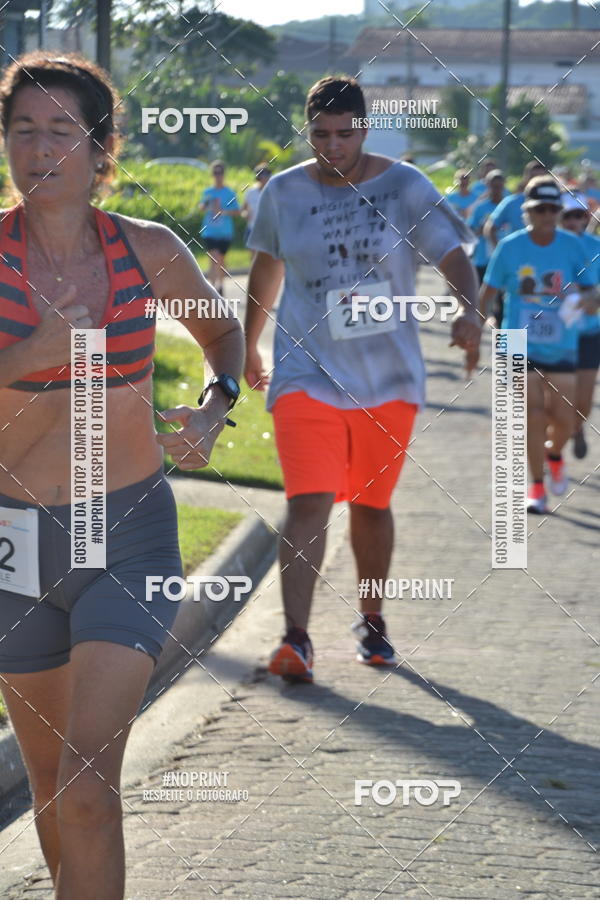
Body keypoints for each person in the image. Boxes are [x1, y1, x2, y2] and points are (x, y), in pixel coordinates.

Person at [0, 53, 243, 898]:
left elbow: (222, 337)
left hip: (128, 529)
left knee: (87, 791)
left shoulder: (148, 251)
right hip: (13, 544)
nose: (39, 149)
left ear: (102, 150)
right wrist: (28, 355)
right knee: (49, 792)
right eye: (22, 129)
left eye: (62, 131)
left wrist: (217, 406)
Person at [244, 75, 480, 682]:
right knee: (308, 501)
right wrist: (247, 344)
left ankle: (372, 621)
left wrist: (468, 308)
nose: (332, 147)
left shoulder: (403, 185)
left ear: (364, 129)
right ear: (307, 132)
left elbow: (453, 253)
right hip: (306, 372)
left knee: (371, 504)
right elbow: (266, 271)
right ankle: (296, 639)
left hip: (387, 378)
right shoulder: (284, 193)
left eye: (344, 134)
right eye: (320, 135)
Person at [479, 177, 596, 515]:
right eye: (538, 209)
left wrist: (589, 301)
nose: (545, 215)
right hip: (516, 339)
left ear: (558, 212)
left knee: (563, 417)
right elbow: (488, 292)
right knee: (531, 413)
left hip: (562, 342)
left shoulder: (572, 247)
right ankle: (537, 487)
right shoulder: (510, 247)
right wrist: (476, 326)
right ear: (527, 211)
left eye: (551, 209)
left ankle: (555, 455)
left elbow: (591, 290)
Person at [558, 193, 600, 458]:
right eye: (567, 216)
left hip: (588, 332)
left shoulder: (596, 247)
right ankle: (554, 448)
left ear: (585, 218)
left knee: (583, 403)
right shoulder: (547, 246)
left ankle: (576, 427)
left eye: (578, 215)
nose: (573, 221)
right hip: (557, 336)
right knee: (556, 398)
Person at [484, 160, 547, 248]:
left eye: (540, 179)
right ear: (526, 179)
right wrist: (500, 253)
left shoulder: (553, 206)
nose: (537, 183)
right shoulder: (511, 202)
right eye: (533, 178)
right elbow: (490, 229)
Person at [199, 160, 240, 295]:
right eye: (215, 172)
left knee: (221, 260)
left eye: (220, 172)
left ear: (224, 174)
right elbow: (201, 208)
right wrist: (205, 206)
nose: (218, 175)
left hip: (224, 232)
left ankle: (221, 285)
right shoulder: (208, 192)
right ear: (212, 174)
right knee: (213, 257)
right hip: (209, 231)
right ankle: (211, 288)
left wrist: (222, 211)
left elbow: (237, 212)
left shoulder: (229, 193)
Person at [468, 169, 507, 285]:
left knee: (502, 298)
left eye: (500, 186)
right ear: (488, 185)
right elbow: (470, 231)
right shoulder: (480, 208)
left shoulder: (507, 206)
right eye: (494, 186)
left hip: (504, 258)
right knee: (480, 294)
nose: (497, 190)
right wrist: (480, 230)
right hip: (482, 259)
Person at [241, 164, 272, 255]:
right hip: (253, 229)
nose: (265, 179)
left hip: (269, 230)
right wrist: (246, 214)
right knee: (254, 258)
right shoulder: (251, 192)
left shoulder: (273, 191)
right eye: (262, 176)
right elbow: (243, 210)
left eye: (267, 176)